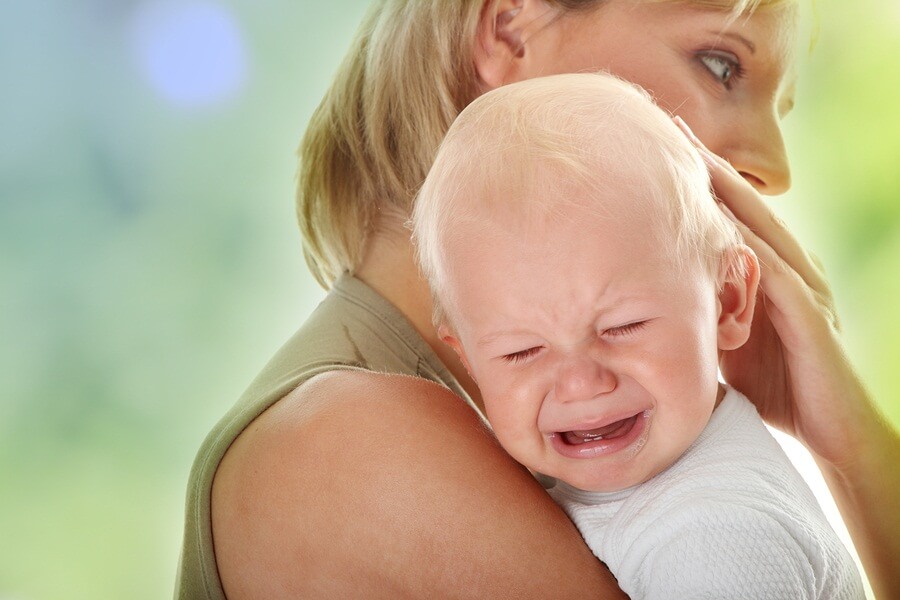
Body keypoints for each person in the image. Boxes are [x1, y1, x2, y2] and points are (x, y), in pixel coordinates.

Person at [175, 1, 900, 598]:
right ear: (510, 27)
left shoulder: (574, 436)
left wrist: (839, 440)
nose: (773, 168)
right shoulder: (349, 444)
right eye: (720, 64)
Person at [411, 71, 865, 599]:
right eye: (522, 351)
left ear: (728, 301)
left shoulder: (714, 541)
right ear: (467, 360)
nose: (582, 384)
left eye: (622, 327)